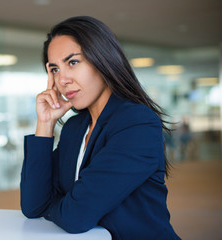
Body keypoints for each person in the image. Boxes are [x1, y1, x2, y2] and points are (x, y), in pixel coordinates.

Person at [20, 16, 180, 240]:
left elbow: (76, 217)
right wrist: (45, 124)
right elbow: (33, 205)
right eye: (54, 69)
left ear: (103, 60)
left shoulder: (137, 123)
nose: (62, 80)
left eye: (73, 62)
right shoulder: (75, 128)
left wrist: (60, 206)